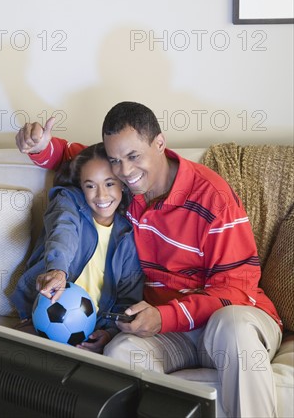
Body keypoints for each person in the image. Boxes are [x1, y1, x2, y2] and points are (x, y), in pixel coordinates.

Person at [16, 102, 283, 417]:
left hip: (234, 323)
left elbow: (238, 291)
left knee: (232, 325)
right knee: (120, 353)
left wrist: (165, 316)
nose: (125, 170)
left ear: (160, 144)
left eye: (133, 157)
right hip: (172, 335)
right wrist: (42, 148)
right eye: (116, 160)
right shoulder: (125, 189)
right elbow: (79, 160)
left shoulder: (214, 199)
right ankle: (231, 389)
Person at [11, 142, 144, 354]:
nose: (101, 195)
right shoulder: (68, 202)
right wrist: (57, 270)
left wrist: (109, 332)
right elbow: (62, 232)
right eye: (90, 185)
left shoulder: (128, 235)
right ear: (80, 186)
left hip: (92, 329)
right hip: (42, 314)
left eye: (109, 184)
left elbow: (128, 295)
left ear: (123, 184)